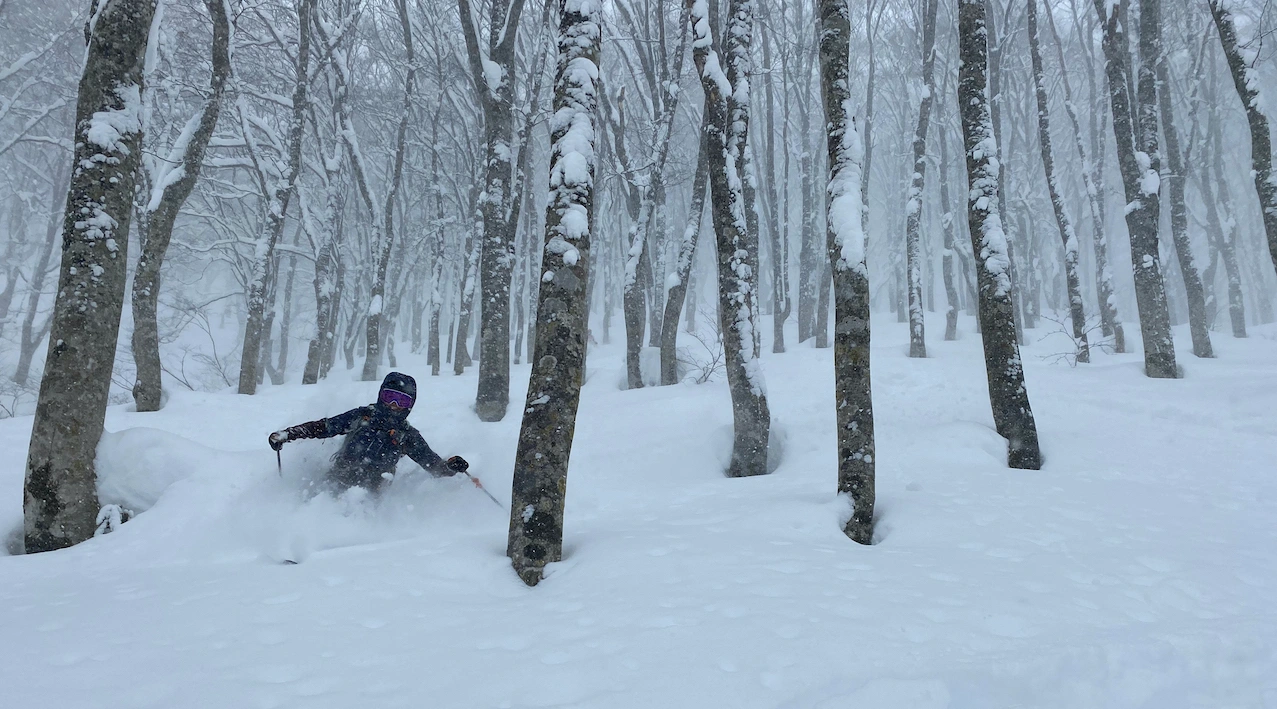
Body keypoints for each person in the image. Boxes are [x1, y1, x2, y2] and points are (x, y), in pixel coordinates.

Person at [268, 372, 470, 494]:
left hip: (373, 493)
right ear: (381, 395)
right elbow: (324, 427)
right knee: (318, 502)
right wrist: (288, 434)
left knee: (358, 510)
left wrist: (450, 465)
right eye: (390, 397)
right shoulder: (362, 416)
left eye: (402, 402)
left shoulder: (407, 435)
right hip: (338, 479)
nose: (394, 405)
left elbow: (434, 466)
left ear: (410, 405)